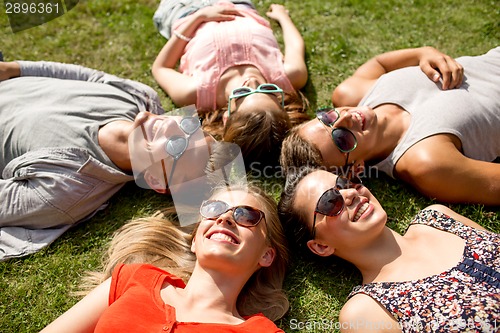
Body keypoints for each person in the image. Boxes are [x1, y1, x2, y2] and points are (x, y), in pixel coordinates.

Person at [0, 60, 216, 260]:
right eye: (190, 127)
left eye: (177, 146)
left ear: (155, 180)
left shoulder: (66, 189)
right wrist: (13, 68)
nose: (171, 125)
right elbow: (85, 76)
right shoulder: (142, 97)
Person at [40, 184, 289, 332]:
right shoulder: (135, 278)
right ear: (195, 240)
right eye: (214, 209)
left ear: (266, 255)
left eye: (246, 215)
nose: (224, 218)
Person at [278, 167, 499, 333]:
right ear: (321, 246)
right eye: (330, 202)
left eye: (345, 182)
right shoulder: (366, 311)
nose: (350, 194)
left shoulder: (438, 217)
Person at [280, 46, 500, 205]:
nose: (344, 118)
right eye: (341, 139)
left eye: (327, 117)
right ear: (356, 169)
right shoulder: (425, 162)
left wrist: (424, 53)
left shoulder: (351, 92)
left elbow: (380, 64)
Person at [152, 0, 309, 170]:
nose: (253, 81)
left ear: (227, 115)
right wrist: (282, 16)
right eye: (267, 90)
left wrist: (198, 17)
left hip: (184, 10)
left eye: (242, 93)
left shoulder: (196, 92)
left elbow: (160, 68)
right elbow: (295, 45)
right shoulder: (289, 75)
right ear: (281, 101)